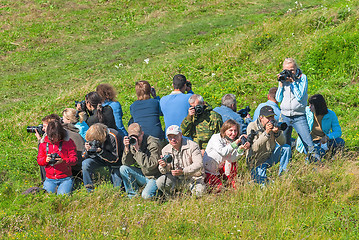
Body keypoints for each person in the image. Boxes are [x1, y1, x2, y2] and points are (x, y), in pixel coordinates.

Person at [275, 58, 315, 156]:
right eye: (287, 70)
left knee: (309, 143)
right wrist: (280, 84)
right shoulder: (283, 79)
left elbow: (300, 96)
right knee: (285, 144)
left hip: (299, 116)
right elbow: (278, 99)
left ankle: (315, 164)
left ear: (296, 68)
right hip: (285, 115)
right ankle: (286, 167)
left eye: (292, 70)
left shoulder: (302, 78)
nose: (289, 72)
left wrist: (293, 82)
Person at [156, 125, 205, 197]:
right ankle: (173, 198)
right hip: (176, 179)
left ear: (181, 135)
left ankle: (190, 199)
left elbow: (199, 164)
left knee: (199, 193)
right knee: (160, 182)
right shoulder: (165, 150)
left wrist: (183, 171)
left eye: (175, 136)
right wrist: (163, 166)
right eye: (170, 137)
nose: (173, 139)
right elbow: (163, 171)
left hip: (193, 178)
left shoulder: (193, 146)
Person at [246, 106, 291, 184]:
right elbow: (254, 148)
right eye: (268, 117)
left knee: (286, 148)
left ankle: (283, 175)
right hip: (256, 161)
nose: (271, 120)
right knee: (263, 185)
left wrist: (277, 133)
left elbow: (283, 143)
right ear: (261, 117)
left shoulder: (274, 124)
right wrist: (266, 133)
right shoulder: (252, 126)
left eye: (272, 117)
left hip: (269, 157)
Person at [203, 119, 249, 192]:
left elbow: (232, 158)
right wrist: (236, 142)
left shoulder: (232, 141)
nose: (233, 133)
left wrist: (241, 149)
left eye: (235, 131)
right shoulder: (216, 137)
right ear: (224, 130)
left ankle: (231, 183)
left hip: (219, 170)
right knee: (219, 188)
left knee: (233, 164)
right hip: (208, 170)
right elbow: (223, 152)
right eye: (230, 130)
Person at [120, 123, 162, 199]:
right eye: (131, 137)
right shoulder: (133, 142)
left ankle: (159, 193)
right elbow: (127, 163)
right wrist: (126, 149)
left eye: (137, 137)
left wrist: (138, 150)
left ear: (142, 133)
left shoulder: (153, 144)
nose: (135, 139)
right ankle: (133, 196)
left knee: (146, 196)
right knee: (123, 169)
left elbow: (151, 165)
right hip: (144, 175)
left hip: (155, 177)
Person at [37, 121, 77, 195]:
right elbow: (39, 160)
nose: (51, 139)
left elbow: (74, 160)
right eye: (50, 136)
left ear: (59, 134)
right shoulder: (43, 144)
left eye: (54, 136)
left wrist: (63, 161)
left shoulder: (68, 142)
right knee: (48, 197)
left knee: (62, 196)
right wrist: (45, 160)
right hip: (50, 179)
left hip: (66, 178)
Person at [81, 123, 123, 192]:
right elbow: (83, 156)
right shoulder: (92, 136)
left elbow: (115, 159)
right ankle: (89, 189)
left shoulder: (113, 136)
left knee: (118, 189)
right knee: (85, 164)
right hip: (99, 158)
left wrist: (101, 151)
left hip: (114, 162)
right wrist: (86, 150)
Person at [62, 108, 86, 180]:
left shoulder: (75, 130)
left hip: (79, 158)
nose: (62, 121)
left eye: (63, 119)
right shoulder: (82, 124)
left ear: (68, 120)